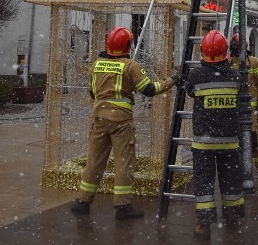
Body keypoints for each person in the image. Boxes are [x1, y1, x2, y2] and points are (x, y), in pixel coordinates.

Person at [70, 26, 182, 220]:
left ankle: (82, 201)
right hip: (121, 122)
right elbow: (149, 89)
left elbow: (92, 92)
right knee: (124, 163)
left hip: (99, 119)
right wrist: (172, 80)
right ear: (128, 46)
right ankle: (122, 206)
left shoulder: (96, 65)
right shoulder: (130, 66)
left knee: (94, 161)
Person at [185, 30, 244, 240]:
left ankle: (203, 225)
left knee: (203, 183)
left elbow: (189, 91)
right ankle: (232, 217)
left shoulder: (195, 75)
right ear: (226, 52)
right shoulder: (236, 77)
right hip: (229, 143)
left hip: (204, 143)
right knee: (231, 181)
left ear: (203, 52)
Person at [229, 35, 258, 178]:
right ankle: (237, 167)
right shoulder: (227, 64)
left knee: (254, 137)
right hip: (232, 108)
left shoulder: (255, 63)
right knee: (233, 138)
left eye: (237, 47)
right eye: (233, 47)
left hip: (252, 110)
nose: (235, 51)